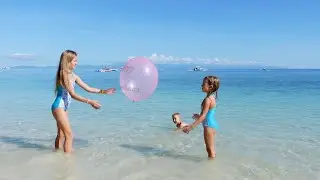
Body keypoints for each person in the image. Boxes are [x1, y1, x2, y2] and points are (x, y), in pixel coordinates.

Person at [51, 50, 116, 153]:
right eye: (75, 61)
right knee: (69, 135)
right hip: (58, 107)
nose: (76, 63)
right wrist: (89, 101)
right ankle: (68, 162)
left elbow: (88, 88)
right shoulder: (63, 74)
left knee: (62, 134)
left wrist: (103, 91)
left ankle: (56, 155)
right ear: (67, 61)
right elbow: (72, 94)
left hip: (64, 107)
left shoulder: (73, 75)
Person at [182, 76, 220, 159]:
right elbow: (208, 114)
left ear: (210, 87)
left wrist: (190, 127)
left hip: (208, 126)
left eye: (203, 84)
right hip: (212, 125)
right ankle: (212, 164)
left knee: (209, 150)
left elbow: (203, 116)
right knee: (211, 149)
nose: (201, 85)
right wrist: (199, 116)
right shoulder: (212, 98)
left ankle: (211, 168)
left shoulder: (207, 100)